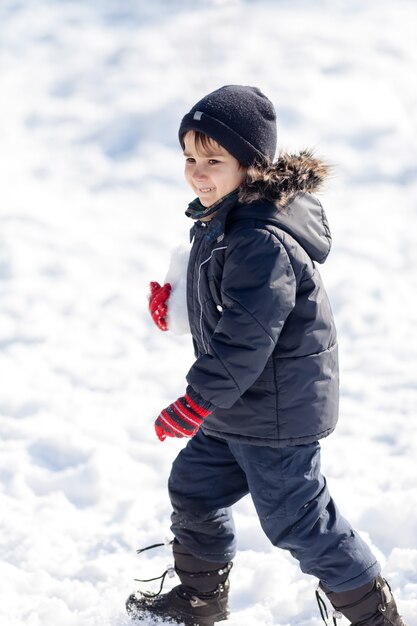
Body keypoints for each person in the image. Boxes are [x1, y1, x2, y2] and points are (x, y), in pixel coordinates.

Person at [126, 85, 407, 626]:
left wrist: (196, 401)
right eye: (189, 157)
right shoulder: (224, 219)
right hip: (238, 405)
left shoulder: (261, 239)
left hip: (275, 412)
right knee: (194, 488)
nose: (197, 172)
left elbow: (248, 336)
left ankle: (378, 618)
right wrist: (178, 306)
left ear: (251, 165)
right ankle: (200, 601)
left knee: (299, 521)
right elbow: (227, 307)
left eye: (213, 160)